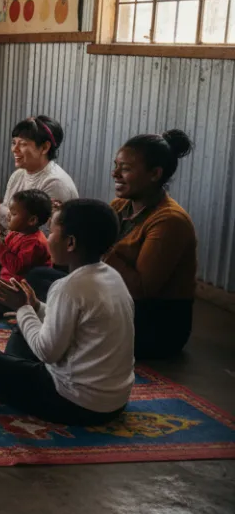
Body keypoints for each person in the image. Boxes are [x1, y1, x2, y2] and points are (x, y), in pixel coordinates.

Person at [0, 199, 134, 426]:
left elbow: (46, 353)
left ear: (70, 243)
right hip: (115, 402)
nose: (47, 237)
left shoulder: (69, 287)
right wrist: (36, 307)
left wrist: (22, 307)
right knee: (24, 328)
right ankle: (8, 386)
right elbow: (73, 324)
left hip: (76, 403)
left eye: (51, 232)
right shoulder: (111, 275)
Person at [26, 131, 198, 359]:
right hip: (113, 297)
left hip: (154, 323)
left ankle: (45, 324)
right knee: (39, 276)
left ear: (155, 174)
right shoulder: (120, 205)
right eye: (116, 165)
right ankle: (49, 322)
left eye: (125, 169)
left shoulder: (169, 220)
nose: (115, 173)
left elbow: (141, 289)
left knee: (64, 294)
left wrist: (100, 245)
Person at [0, 115, 78, 240]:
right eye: (14, 143)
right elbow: (5, 228)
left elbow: (36, 237)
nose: (15, 149)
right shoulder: (18, 175)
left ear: (44, 147)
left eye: (23, 144)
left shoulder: (55, 183)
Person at [0, 189, 53, 317]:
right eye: (10, 211)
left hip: (24, 288)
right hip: (7, 282)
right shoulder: (14, 234)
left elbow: (17, 268)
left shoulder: (35, 243)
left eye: (14, 213)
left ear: (32, 220)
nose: (9, 215)